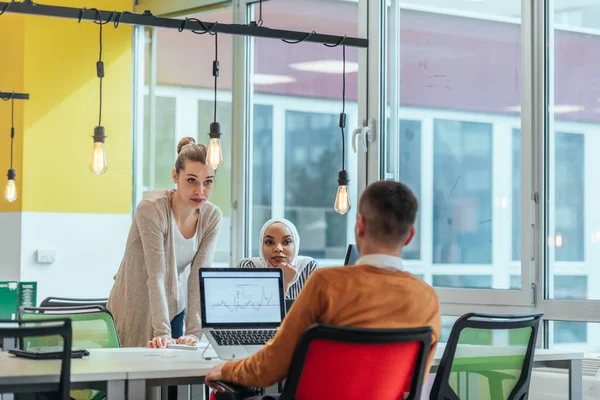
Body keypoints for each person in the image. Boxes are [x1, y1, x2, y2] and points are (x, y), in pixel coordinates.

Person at [205, 180, 440, 389]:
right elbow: (414, 382)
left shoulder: (326, 284)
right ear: (410, 236)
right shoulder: (427, 300)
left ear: (359, 225)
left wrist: (226, 370)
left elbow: (271, 367)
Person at [107, 137, 223, 348]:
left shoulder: (212, 217)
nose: (200, 191)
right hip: (135, 304)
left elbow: (199, 277)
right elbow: (156, 274)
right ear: (175, 176)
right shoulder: (152, 209)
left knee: (169, 374)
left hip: (171, 306)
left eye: (208, 182)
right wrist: (162, 332)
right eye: (191, 180)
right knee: (131, 376)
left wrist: (194, 333)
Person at [236, 218, 319, 299]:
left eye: (286, 242)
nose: (278, 248)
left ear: (296, 245)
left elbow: (314, 312)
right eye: (269, 242)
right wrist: (283, 284)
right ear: (261, 245)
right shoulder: (249, 267)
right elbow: (249, 311)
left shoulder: (307, 267)